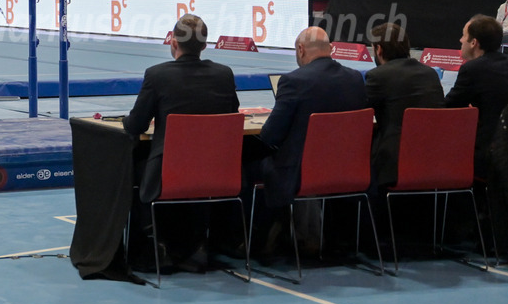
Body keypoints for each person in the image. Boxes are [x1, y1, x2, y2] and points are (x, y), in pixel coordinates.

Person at [122, 14, 238, 269]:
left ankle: (152, 246)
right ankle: (202, 244)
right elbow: (232, 115)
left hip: (170, 173)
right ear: (205, 46)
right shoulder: (224, 75)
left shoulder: (157, 75)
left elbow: (136, 125)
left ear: (173, 43)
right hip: (217, 172)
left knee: (130, 165)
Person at [255, 27, 367, 208]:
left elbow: (270, 135)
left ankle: (276, 232)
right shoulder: (354, 79)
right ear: (330, 48)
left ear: (300, 49)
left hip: (302, 173)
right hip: (350, 168)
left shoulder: (294, 81)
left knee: (257, 164)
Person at [445, 15, 508, 176]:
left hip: (489, 157)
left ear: (473, 42)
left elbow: (447, 109)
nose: (460, 40)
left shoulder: (473, 69)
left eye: (464, 35)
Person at [365, 22, 444, 188]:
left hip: (395, 162)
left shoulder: (378, 76)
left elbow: (360, 112)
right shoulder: (430, 74)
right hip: (435, 157)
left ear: (378, 49)